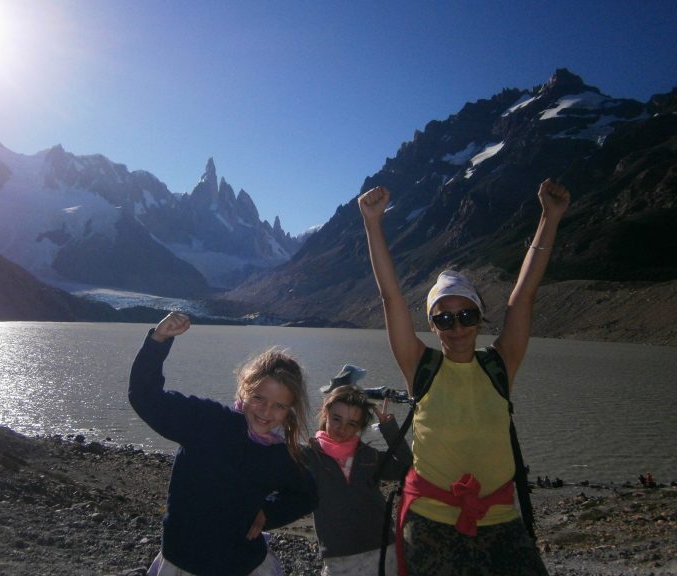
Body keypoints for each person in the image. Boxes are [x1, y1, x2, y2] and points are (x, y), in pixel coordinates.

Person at [358, 178, 571, 576]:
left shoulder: (499, 365)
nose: (456, 327)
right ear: (433, 326)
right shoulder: (420, 366)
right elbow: (391, 297)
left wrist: (549, 218)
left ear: (479, 317)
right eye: (444, 318)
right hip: (430, 518)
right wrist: (373, 224)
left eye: (467, 315)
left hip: (500, 516)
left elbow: (524, 295)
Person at [128, 311, 318, 576]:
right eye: (259, 398)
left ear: (289, 411)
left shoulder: (279, 455)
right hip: (182, 562)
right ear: (244, 388)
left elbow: (308, 494)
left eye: (279, 406)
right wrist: (158, 340)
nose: (265, 411)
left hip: (244, 565)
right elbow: (145, 397)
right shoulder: (207, 421)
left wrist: (268, 513)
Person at [302, 376, 412, 576]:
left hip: (383, 552)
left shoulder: (369, 456)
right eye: (336, 419)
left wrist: (390, 429)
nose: (342, 429)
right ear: (325, 413)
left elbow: (408, 469)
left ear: (360, 428)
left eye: (352, 424)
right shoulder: (308, 457)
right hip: (338, 559)